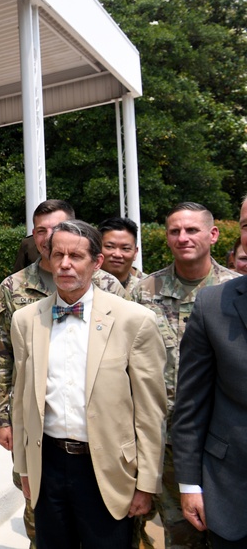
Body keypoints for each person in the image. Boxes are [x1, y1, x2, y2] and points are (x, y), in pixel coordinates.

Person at [0, 199, 129, 546]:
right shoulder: (13, 288)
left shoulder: (107, 285)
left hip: (97, 432)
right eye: (40, 231)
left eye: (56, 228)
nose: (48, 238)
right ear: (33, 236)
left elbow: (129, 361)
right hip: (38, 427)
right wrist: (2, 419)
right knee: (44, 523)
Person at [11, 220, 166, 549]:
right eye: (58, 255)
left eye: (76, 256)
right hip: (48, 466)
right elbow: (23, 399)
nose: (65, 264)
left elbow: (150, 412)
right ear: (49, 259)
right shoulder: (25, 320)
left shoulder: (133, 321)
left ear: (96, 262)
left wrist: (147, 483)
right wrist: (24, 468)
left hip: (107, 470)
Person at [132, 202, 239, 549]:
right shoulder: (142, 293)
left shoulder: (235, 292)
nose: (183, 238)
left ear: (213, 234)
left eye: (192, 230)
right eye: (174, 231)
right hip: (165, 442)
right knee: (180, 538)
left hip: (225, 440)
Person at [169, 197, 247, 548]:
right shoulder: (214, 304)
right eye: (246, 226)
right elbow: (191, 405)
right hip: (231, 493)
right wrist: (189, 484)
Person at [99, 216, 144, 290]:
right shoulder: (84, 284)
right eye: (109, 246)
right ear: (97, 248)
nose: (117, 254)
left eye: (125, 248)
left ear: (135, 252)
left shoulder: (149, 285)